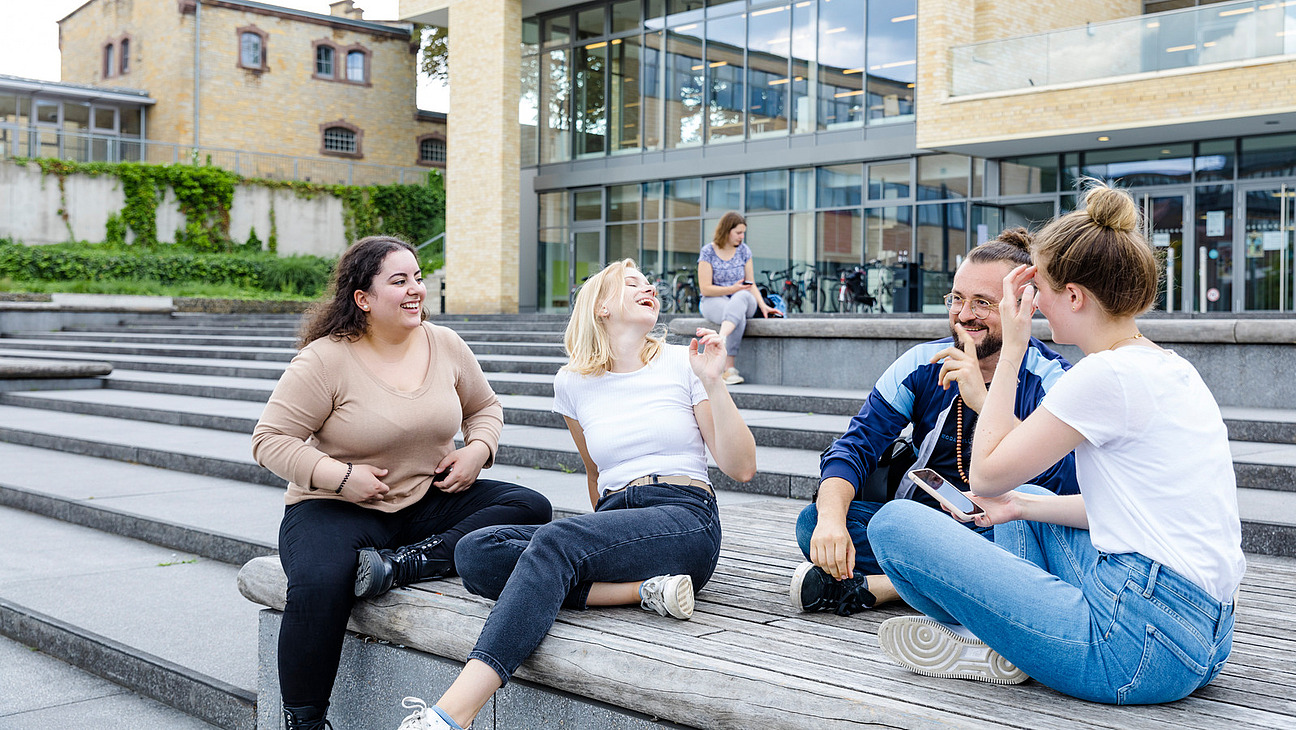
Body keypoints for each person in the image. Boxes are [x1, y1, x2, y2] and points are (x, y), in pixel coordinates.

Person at [870, 184, 1245, 704]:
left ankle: (1003, 640)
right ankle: (1015, 640)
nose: (1028, 300)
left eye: (1036, 287)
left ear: (1073, 296)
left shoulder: (1102, 377)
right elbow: (1133, 511)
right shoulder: (1170, 367)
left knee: (892, 525)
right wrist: (1017, 504)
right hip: (1203, 635)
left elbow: (984, 474)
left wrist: (1012, 351)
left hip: (1135, 651)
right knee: (1028, 504)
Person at [393, 259, 757, 730]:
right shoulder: (572, 383)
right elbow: (595, 473)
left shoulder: (683, 364)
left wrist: (713, 379)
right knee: (475, 551)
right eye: (632, 283)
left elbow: (742, 467)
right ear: (601, 305)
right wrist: (597, 539)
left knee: (554, 545)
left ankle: (449, 716)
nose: (648, 287)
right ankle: (641, 591)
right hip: (617, 518)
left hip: (683, 517)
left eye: (649, 284)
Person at [251, 236, 552, 730]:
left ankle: (402, 565)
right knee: (321, 582)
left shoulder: (445, 343)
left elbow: (485, 408)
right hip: (334, 510)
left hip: (428, 502)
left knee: (529, 506)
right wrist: (341, 477)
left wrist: (477, 451)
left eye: (418, 277)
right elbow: (269, 440)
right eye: (399, 281)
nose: (416, 290)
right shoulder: (325, 360)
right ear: (363, 298)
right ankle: (304, 722)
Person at [789, 228, 1078, 616]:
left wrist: (983, 400)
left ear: (1023, 306)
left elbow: (1063, 483)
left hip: (1007, 533)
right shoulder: (921, 363)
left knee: (1034, 552)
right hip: (921, 529)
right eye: (956, 299)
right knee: (814, 523)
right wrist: (830, 520)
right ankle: (955, 587)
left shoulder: (1054, 379)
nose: (963, 315)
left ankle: (888, 587)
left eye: (982, 303)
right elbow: (856, 446)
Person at [698, 211, 779, 385]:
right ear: (727, 231)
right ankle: (729, 369)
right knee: (737, 315)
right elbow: (705, 289)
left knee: (741, 296)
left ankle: (720, 338)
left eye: (743, 233)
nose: (742, 237)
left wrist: (763, 305)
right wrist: (732, 288)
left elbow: (751, 284)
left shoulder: (744, 251)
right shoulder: (708, 252)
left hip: (743, 298)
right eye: (738, 233)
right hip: (713, 300)